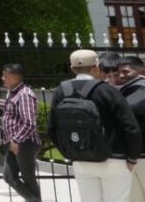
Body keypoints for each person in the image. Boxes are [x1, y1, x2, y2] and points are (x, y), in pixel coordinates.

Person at [48, 49, 141, 202]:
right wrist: (132, 158)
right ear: (96, 66)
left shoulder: (61, 92)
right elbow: (130, 127)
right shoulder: (107, 90)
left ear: (72, 69)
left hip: (82, 160)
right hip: (114, 159)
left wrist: (71, 154)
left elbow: (52, 129)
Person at [0, 63, 41, 202]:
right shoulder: (14, 93)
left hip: (24, 143)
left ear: (15, 78)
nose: (2, 78)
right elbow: (7, 107)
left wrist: (17, 140)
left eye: (5, 76)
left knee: (28, 178)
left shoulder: (25, 94)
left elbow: (29, 123)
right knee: (9, 176)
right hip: (14, 143)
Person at [118, 56, 145, 202]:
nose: (121, 75)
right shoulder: (125, 91)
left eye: (126, 72)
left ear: (141, 71)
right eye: (119, 72)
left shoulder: (140, 92)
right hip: (132, 157)